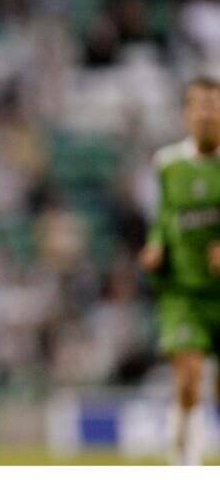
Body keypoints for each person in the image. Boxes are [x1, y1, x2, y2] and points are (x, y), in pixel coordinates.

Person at [140, 76, 220, 465]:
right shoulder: (168, 164)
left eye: (214, 106)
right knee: (188, 380)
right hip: (184, 292)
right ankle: (185, 466)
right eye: (199, 105)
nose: (207, 114)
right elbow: (164, 215)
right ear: (187, 113)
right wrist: (156, 244)